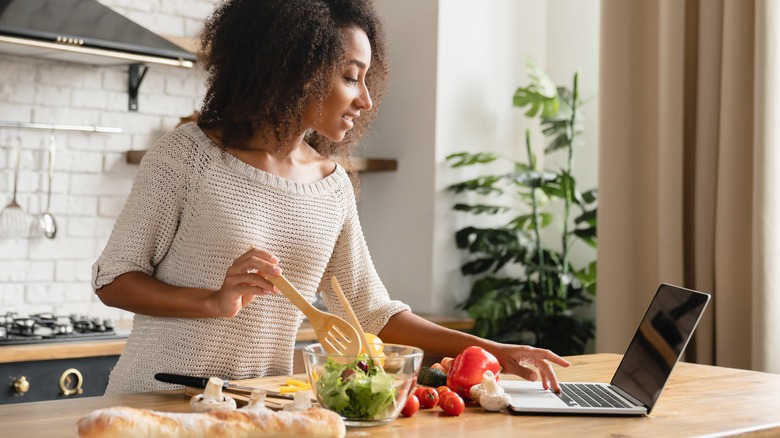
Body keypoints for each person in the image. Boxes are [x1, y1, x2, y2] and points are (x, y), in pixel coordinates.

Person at [92, 0, 570, 396]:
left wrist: (493, 350)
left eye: (366, 78)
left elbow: (370, 312)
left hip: (259, 407)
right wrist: (214, 301)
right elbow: (113, 278)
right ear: (295, 69)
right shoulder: (188, 156)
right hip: (156, 400)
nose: (365, 99)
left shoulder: (331, 185)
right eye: (350, 77)